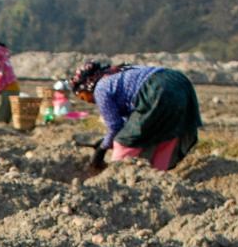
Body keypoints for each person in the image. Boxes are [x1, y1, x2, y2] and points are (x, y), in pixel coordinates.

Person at [70, 60, 202, 172]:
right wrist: (106, 140)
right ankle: (157, 175)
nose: (87, 101)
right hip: (179, 82)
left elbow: (116, 127)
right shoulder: (117, 73)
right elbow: (130, 122)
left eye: (83, 96)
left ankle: (117, 178)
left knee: (123, 141)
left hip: (156, 89)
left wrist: (101, 150)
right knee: (167, 136)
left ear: (87, 85)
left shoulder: (100, 88)